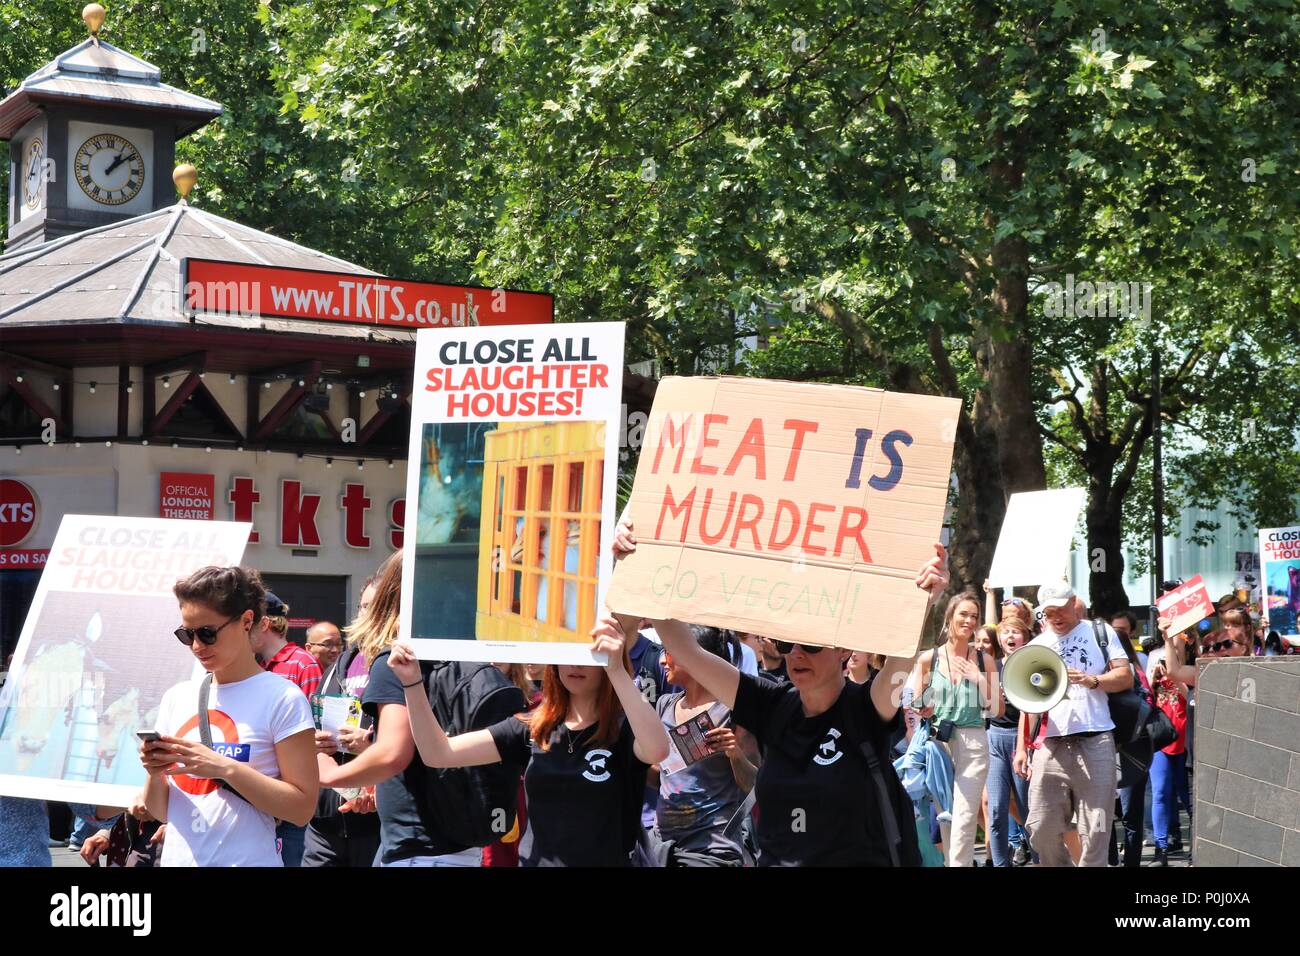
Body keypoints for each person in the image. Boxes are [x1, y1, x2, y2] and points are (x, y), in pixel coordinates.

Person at [614, 518, 950, 866]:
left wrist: (926, 599)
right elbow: (687, 652)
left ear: (844, 651)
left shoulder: (866, 709)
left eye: (812, 644)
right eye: (787, 643)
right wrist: (641, 561)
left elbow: (900, 663)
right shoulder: (773, 704)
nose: (797, 654)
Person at [388, 614, 671, 866]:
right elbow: (438, 753)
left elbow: (658, 750)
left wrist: (616, 669)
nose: (576, 663)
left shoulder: (624, 729)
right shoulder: (533, 728)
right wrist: (412, 683)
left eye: (588, 654)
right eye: (568, 652)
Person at [315, 551, 527, 866]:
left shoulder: (399, 661)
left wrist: (332, 775)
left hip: (418, 851)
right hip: (463, 847)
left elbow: (393, 753)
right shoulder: (464, 658)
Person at [139, 566, 318, 866]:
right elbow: (160, 810)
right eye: (187, 634)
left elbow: (301, 808)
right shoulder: (177, 697)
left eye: (208, 634)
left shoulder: (282, 698)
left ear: (247, 621)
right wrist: (155, 770)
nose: (197, 646)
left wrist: (225, 768)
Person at [1013, 582, 1132, 867]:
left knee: (1097, 828)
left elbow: (1126, 677)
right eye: (1048, 611)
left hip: (1096, 740)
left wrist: (1094, 681)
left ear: (1074, 602)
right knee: (1040, 826)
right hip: (1051, 744)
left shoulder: (1100, 633)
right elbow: (1028, 704)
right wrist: (1021, 749)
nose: (1055, 616)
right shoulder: (1036, 646)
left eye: (1060, 608)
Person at [651, 625, 760, 866]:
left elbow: (756, 785)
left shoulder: (733, 711)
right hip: (662, 848)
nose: (661, 661)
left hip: (712, 851)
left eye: (667, 652)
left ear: (693, 655)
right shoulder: (664, 705)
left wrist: (734, 753)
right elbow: (659, 776)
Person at [910, 591, 1001, 867]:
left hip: (973, 742)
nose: (970, 620)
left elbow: (997, 709)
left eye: (974, 616)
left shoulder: (983, 659)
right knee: (945, 819)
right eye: (964, 614)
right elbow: (917, 703)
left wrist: (977, 678)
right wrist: (923, 707)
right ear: (950, 616)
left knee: (963, 816)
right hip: (938, 744)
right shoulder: (929, 659)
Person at [302, 580, 381, 869]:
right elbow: (315, 728)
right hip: (325, 821)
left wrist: (372, 744)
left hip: (377, 822)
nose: (368, 615)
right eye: (363, 607)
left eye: (377, 606)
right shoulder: (342, 663)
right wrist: (316, 744)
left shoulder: (405, 667)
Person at [248, 591, 322, 866]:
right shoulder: (256, 666)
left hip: (290, 799)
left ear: (263, 624)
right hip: (260, 799)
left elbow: (314, 731)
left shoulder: (302, 662)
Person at [985, 614, 1033, 866]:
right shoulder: (993, 665)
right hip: (995, 737)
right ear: (999, 639)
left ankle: (1039, 859)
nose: (1010, 636)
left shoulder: (1033, 663)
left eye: (1016, 632)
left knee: (1028, 810)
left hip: (1023, 739)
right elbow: (985, 707)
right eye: (1006, 632)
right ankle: (1001, 863)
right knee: (995, 810)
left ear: (1025, 636)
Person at [252, 593, 323, 697]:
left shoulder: (304, 664)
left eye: (248, 623)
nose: (243, 630)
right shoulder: (260, 666)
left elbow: (313, 712)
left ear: (264, 624)